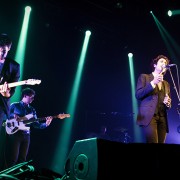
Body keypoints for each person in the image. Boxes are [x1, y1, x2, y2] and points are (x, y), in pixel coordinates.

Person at [5, 87, 53, 168]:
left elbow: (36, 124)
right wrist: (13, 116)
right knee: (13, 158)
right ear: (24, 96)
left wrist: (46, 124)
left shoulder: (32, 110)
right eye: (31, 97)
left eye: (33, 97)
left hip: (26, 135)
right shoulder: (15, 105)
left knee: (23, 159)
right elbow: (6, 115)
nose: (33, 99)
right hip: (16, 134)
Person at [135, 55, 172, 143]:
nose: (164, 63)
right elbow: (138, 95)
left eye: (165, 63)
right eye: (161, 61)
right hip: (149, 117)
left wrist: (168, 103)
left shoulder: (166, 84)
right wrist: (153, 83)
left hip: (162, 117)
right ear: (155, 65)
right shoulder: (144, 77)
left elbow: (169, 104)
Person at [0, 33, 20, 170]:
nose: (2, 54)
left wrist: (6, 92)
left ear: (9, 49)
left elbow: (10, 93)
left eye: (4, 52)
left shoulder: (14, 66)